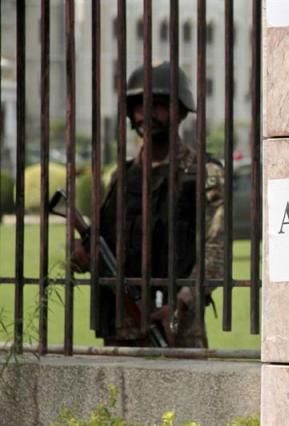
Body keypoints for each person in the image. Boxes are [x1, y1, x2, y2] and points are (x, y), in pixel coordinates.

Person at [72, 62, 224, 348]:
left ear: (180, 112)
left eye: (158, 105)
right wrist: (82, 254)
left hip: (175, 330)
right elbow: (107, 245)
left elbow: (216, 252)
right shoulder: (120, 176)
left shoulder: (203, 174)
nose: (147, 115)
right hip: (121, 330)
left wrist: (183, 302)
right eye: (139, 106)